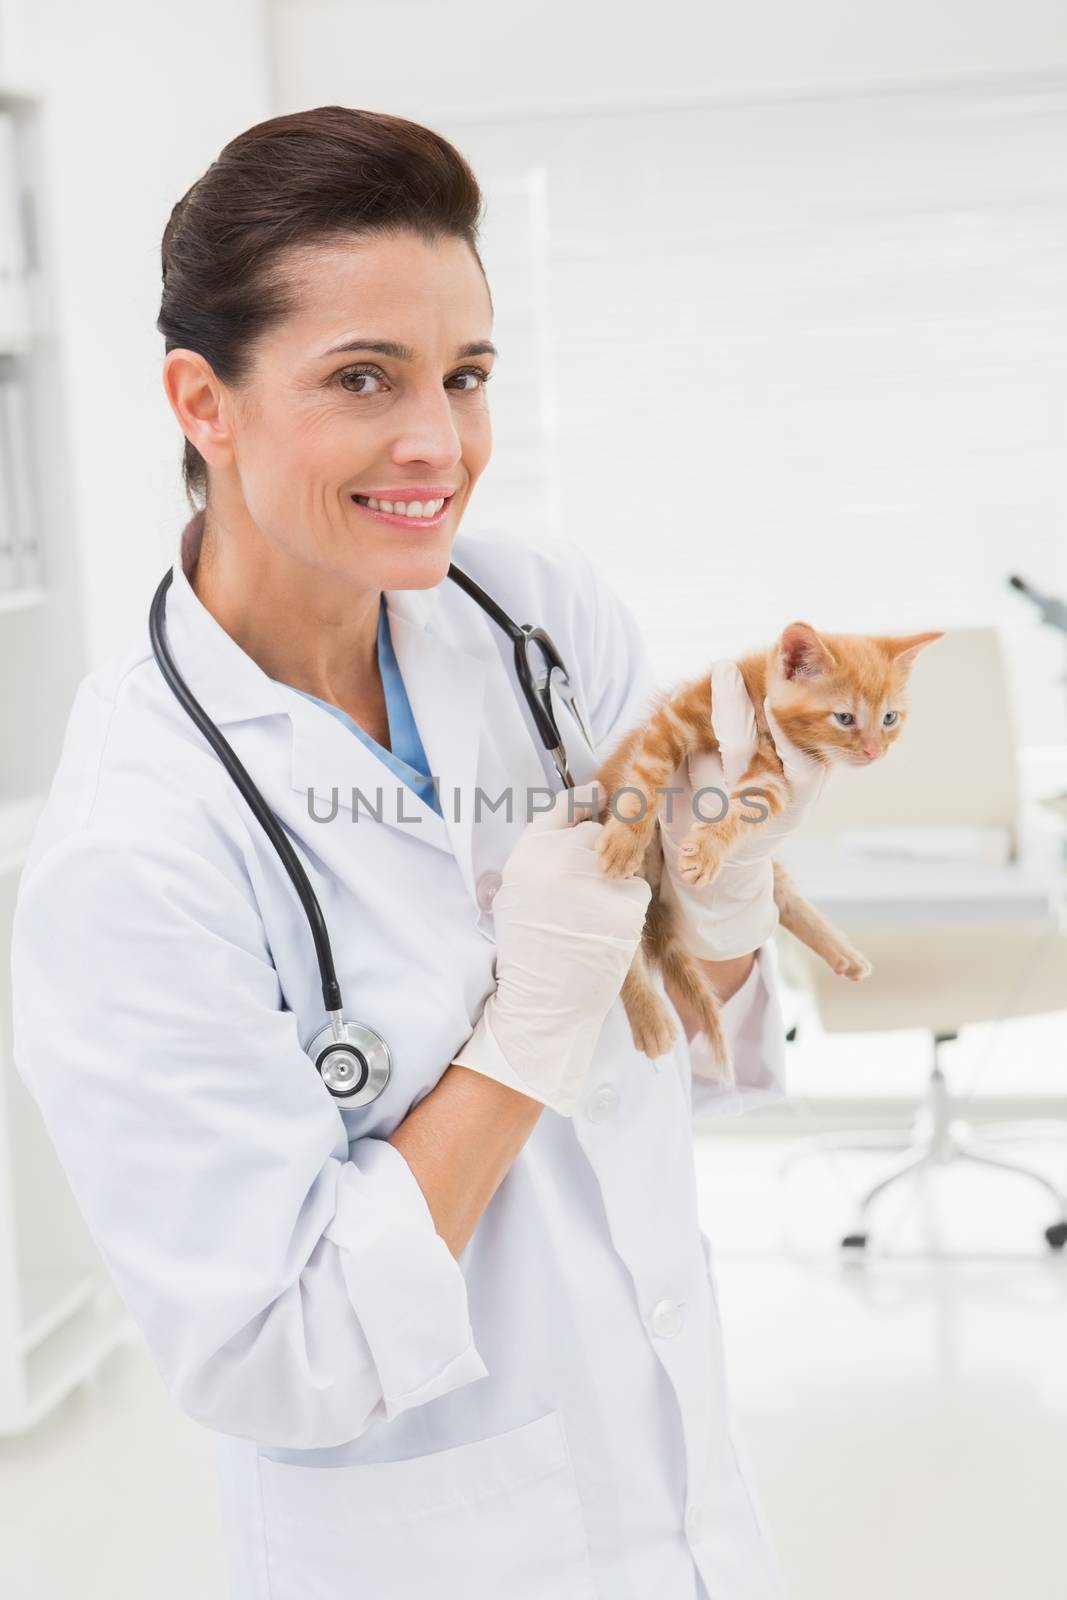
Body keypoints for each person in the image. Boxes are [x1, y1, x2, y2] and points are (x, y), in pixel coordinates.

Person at [10, 106, 825, 1600]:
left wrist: (718, 906)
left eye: (464, 375)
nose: (437, 445)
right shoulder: (135, 852)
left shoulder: (534, 624)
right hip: (431, 1550)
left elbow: (671, 1069)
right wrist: (528, 1025)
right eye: (361, 379)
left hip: (684, 1500)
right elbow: (286, 1353)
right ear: (205, 401)